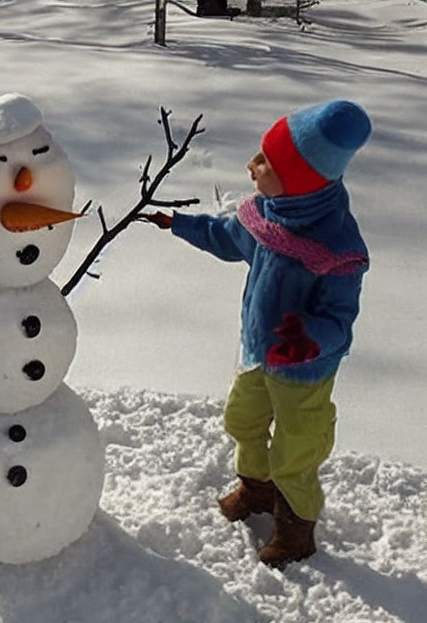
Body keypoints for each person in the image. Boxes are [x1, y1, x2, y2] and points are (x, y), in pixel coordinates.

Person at [147, 100, 371, 568]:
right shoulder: (269, 215)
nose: (252, 166)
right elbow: (228, 237)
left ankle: (295, 528)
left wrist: (309, 337)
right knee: (243, 420)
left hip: (305, 370)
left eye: (266, 162)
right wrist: (179, 224)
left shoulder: (335, 249)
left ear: (301, 180)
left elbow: (340, 320)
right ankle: (257, 489)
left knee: (297, 446)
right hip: (258, 354)